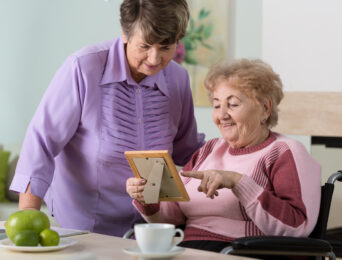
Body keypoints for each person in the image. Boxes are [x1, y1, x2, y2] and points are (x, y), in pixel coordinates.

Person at [10, 0, 204, 237]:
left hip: (152, 229)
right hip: (87, 228)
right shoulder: (83, 68)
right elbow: (41, 143)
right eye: (145, 46)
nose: (154, 59)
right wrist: (27, 221)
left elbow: (187, 150)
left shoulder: (178, 79)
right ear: (125, 33)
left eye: (165, 47)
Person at [126, 59, 321, 252]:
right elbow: (173, 217)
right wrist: (148, 197)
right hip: (188, 248)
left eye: (233, 104)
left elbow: (297, 226)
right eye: (217, 105)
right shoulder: (209, 149)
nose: (222, 115)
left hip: (243, 251)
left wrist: (238, 182)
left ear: (265, 108)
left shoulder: (284, 152)